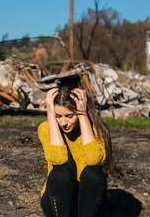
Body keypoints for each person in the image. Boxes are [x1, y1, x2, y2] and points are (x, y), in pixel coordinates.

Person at [38, 80, 112, 217]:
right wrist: (50, 114)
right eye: (58, 116)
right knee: (61, 172)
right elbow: (58, 159)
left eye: (69, 116)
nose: (63, 123)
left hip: (88, 201)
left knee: (93, 173)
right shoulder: (46, 128)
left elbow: (93, 160)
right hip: (58, 199)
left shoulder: (95, 129)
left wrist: (83, 115)